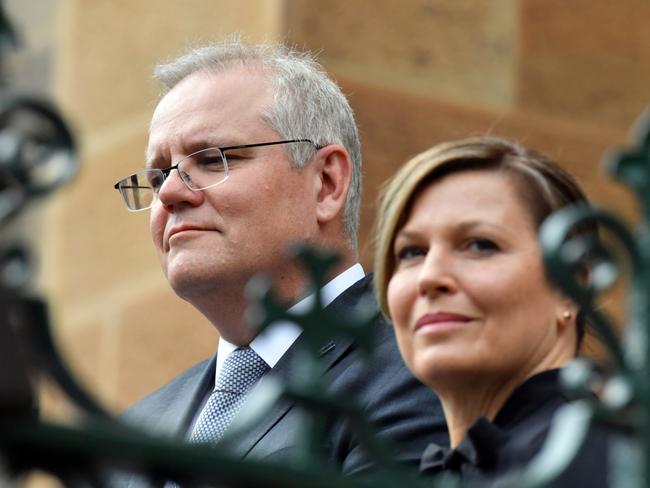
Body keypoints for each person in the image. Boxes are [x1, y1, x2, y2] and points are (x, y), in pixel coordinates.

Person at [112, 40, 447, 485]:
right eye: (158, 176)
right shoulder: (137, 429)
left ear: (326, 183)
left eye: (213, 159)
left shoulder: (423, 362)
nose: (169, 193)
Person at [373, 137, 610, 486]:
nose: (430, 276)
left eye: (480, 245)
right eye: (411, 252)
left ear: (571, 286)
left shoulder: (596, 459)